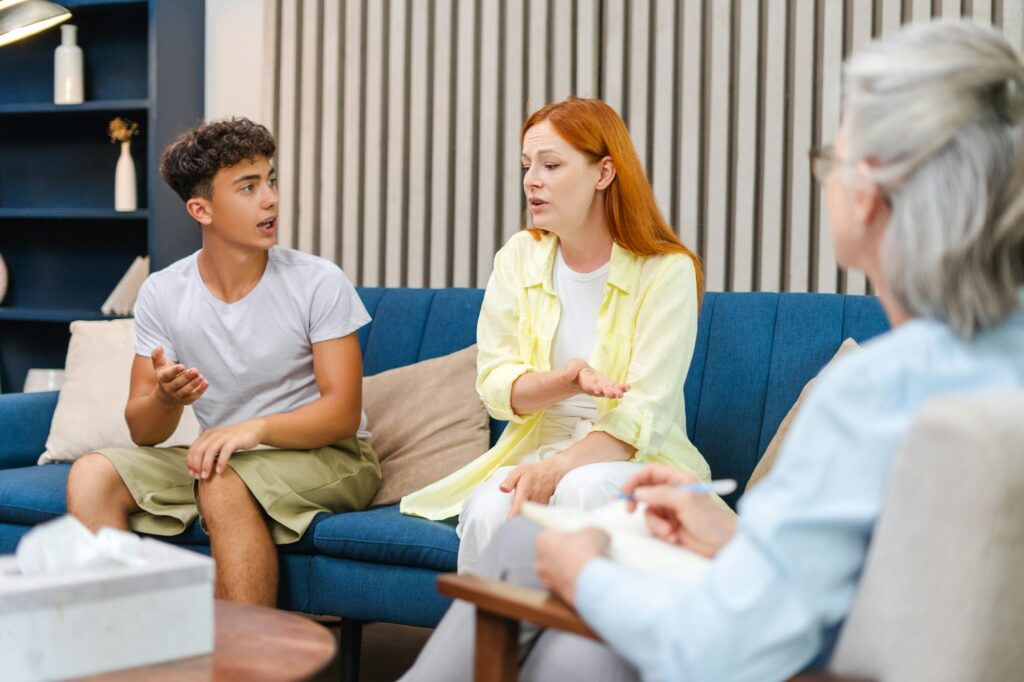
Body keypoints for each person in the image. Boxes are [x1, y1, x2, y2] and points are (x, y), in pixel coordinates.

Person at [401, 19, 1024, 681]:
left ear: (867, 196)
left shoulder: (868, 397)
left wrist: (585, 576)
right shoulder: (995, 372)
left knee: (551, 588)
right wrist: (730, 535)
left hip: (768, 656)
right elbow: (871, 580)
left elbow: (719, 645)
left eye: (829, 163)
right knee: (545, 579)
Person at [65, 118, 381, 607]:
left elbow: (341, 413)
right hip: (224, 458)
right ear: (202, 209)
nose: (271, 199)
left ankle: (239, 666)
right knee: (92, 474)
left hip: (329, 456)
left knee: (220, 479)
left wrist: (252, 430)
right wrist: (167, 400)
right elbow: (143, 431)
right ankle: (130, 644)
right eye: (249, 187)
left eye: (270, 181)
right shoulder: (163, 292)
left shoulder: (318, 282)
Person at [400, 97, 717, 573]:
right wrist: (568, 381)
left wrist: (558, 469)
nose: (531, 180)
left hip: (637, 459)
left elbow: (641, 413)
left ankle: (575, 643)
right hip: (536, 447)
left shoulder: (667, 271)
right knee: (488, 510)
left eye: (551, 165)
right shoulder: (518, 257)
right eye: (527, 165)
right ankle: (493, 647)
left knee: (581, 487)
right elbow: (498, 388)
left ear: (603, 173)